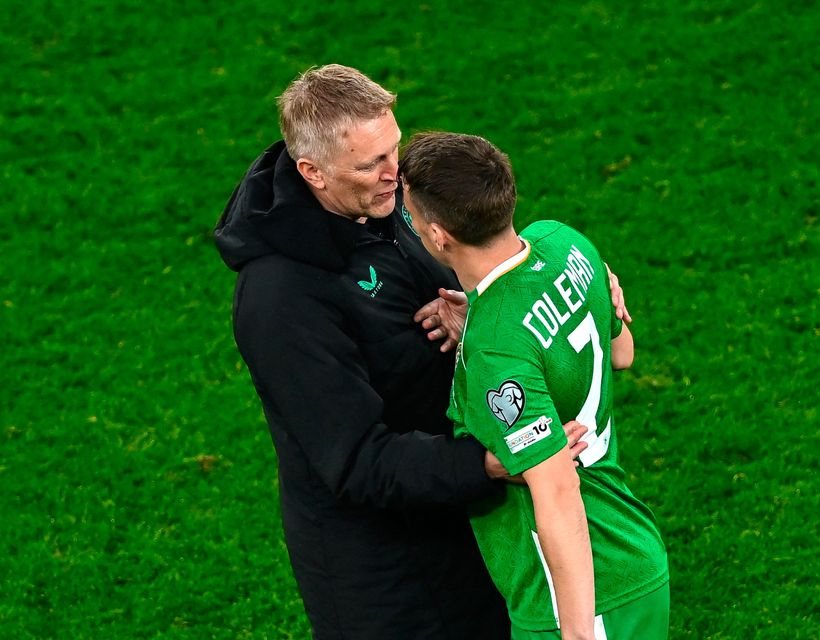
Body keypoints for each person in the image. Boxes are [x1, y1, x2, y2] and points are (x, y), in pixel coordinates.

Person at [214, 65, 602, 639]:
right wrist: (488, 463)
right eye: (371, 164)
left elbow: (472, 273)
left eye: (394, 149)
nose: (397, 176)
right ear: (312, 172)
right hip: (387, 578)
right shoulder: (280, 299)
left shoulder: (382, 199)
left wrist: (483, 319)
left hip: (467, 519)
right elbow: (356, 460)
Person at [399, 132, 670, 640]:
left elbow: (559, 490)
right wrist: (486, 320)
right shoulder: (563, 242)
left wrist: (577, 634)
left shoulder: (497, 349)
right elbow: (622, 351)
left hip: (585, 596)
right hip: (632, 554)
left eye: (409, 214)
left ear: (439, 236)